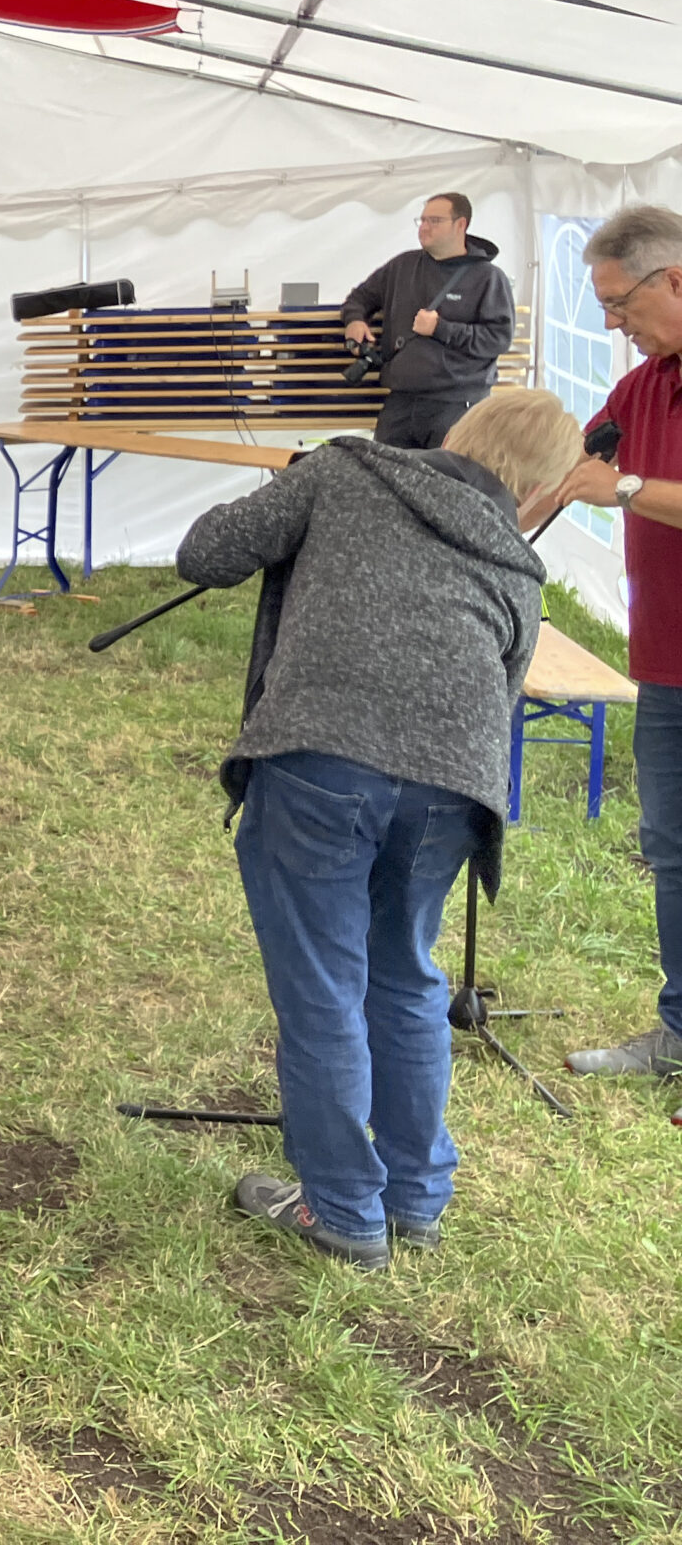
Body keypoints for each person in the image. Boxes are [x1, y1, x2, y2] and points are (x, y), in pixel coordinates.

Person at [175, 389, 579, 1266]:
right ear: (542, 487)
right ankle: (415, 1200)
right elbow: (500, 695)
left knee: (324, 988)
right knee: (403, 979)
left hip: (322, 760)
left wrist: (289, 502)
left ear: (461, 431)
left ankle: (343, 1213)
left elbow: (204, 553)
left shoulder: (342, 471)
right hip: (451, 789)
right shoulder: (518, 566)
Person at [548, 207, 682, 1077]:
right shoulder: (642, 388)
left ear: (675, 280)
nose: (609, 324)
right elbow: (576, 459)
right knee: (670, 848)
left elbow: (616, 482)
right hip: (666, 663)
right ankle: (680, 1031)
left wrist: (627, 486)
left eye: (619, 303)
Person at [339, 192, 515, 450]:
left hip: (456, 406)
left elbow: (498, 339)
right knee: (383, 473)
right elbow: (359, 298)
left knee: (445, 475)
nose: (424, 227)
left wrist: (441, 329)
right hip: (400, 403)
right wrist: (354, 320)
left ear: (461, 224)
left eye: (435, 220)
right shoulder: (402, 266)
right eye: (422, 220)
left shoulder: (488, 278)